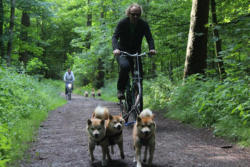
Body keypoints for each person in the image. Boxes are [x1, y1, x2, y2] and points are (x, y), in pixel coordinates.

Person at [112, 3, 156, 99]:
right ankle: (120, 89)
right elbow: (115, 37)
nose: (135, 16)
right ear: (128, 13)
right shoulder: (122, 23)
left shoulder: (143, 24)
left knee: (139, 74)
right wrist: (116, 49)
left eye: (138, 14)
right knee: (125, 66)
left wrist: (152, 48)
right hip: (122, 52)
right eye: (133, 14)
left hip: (136, 53)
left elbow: (149, 38)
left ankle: (137, 94)